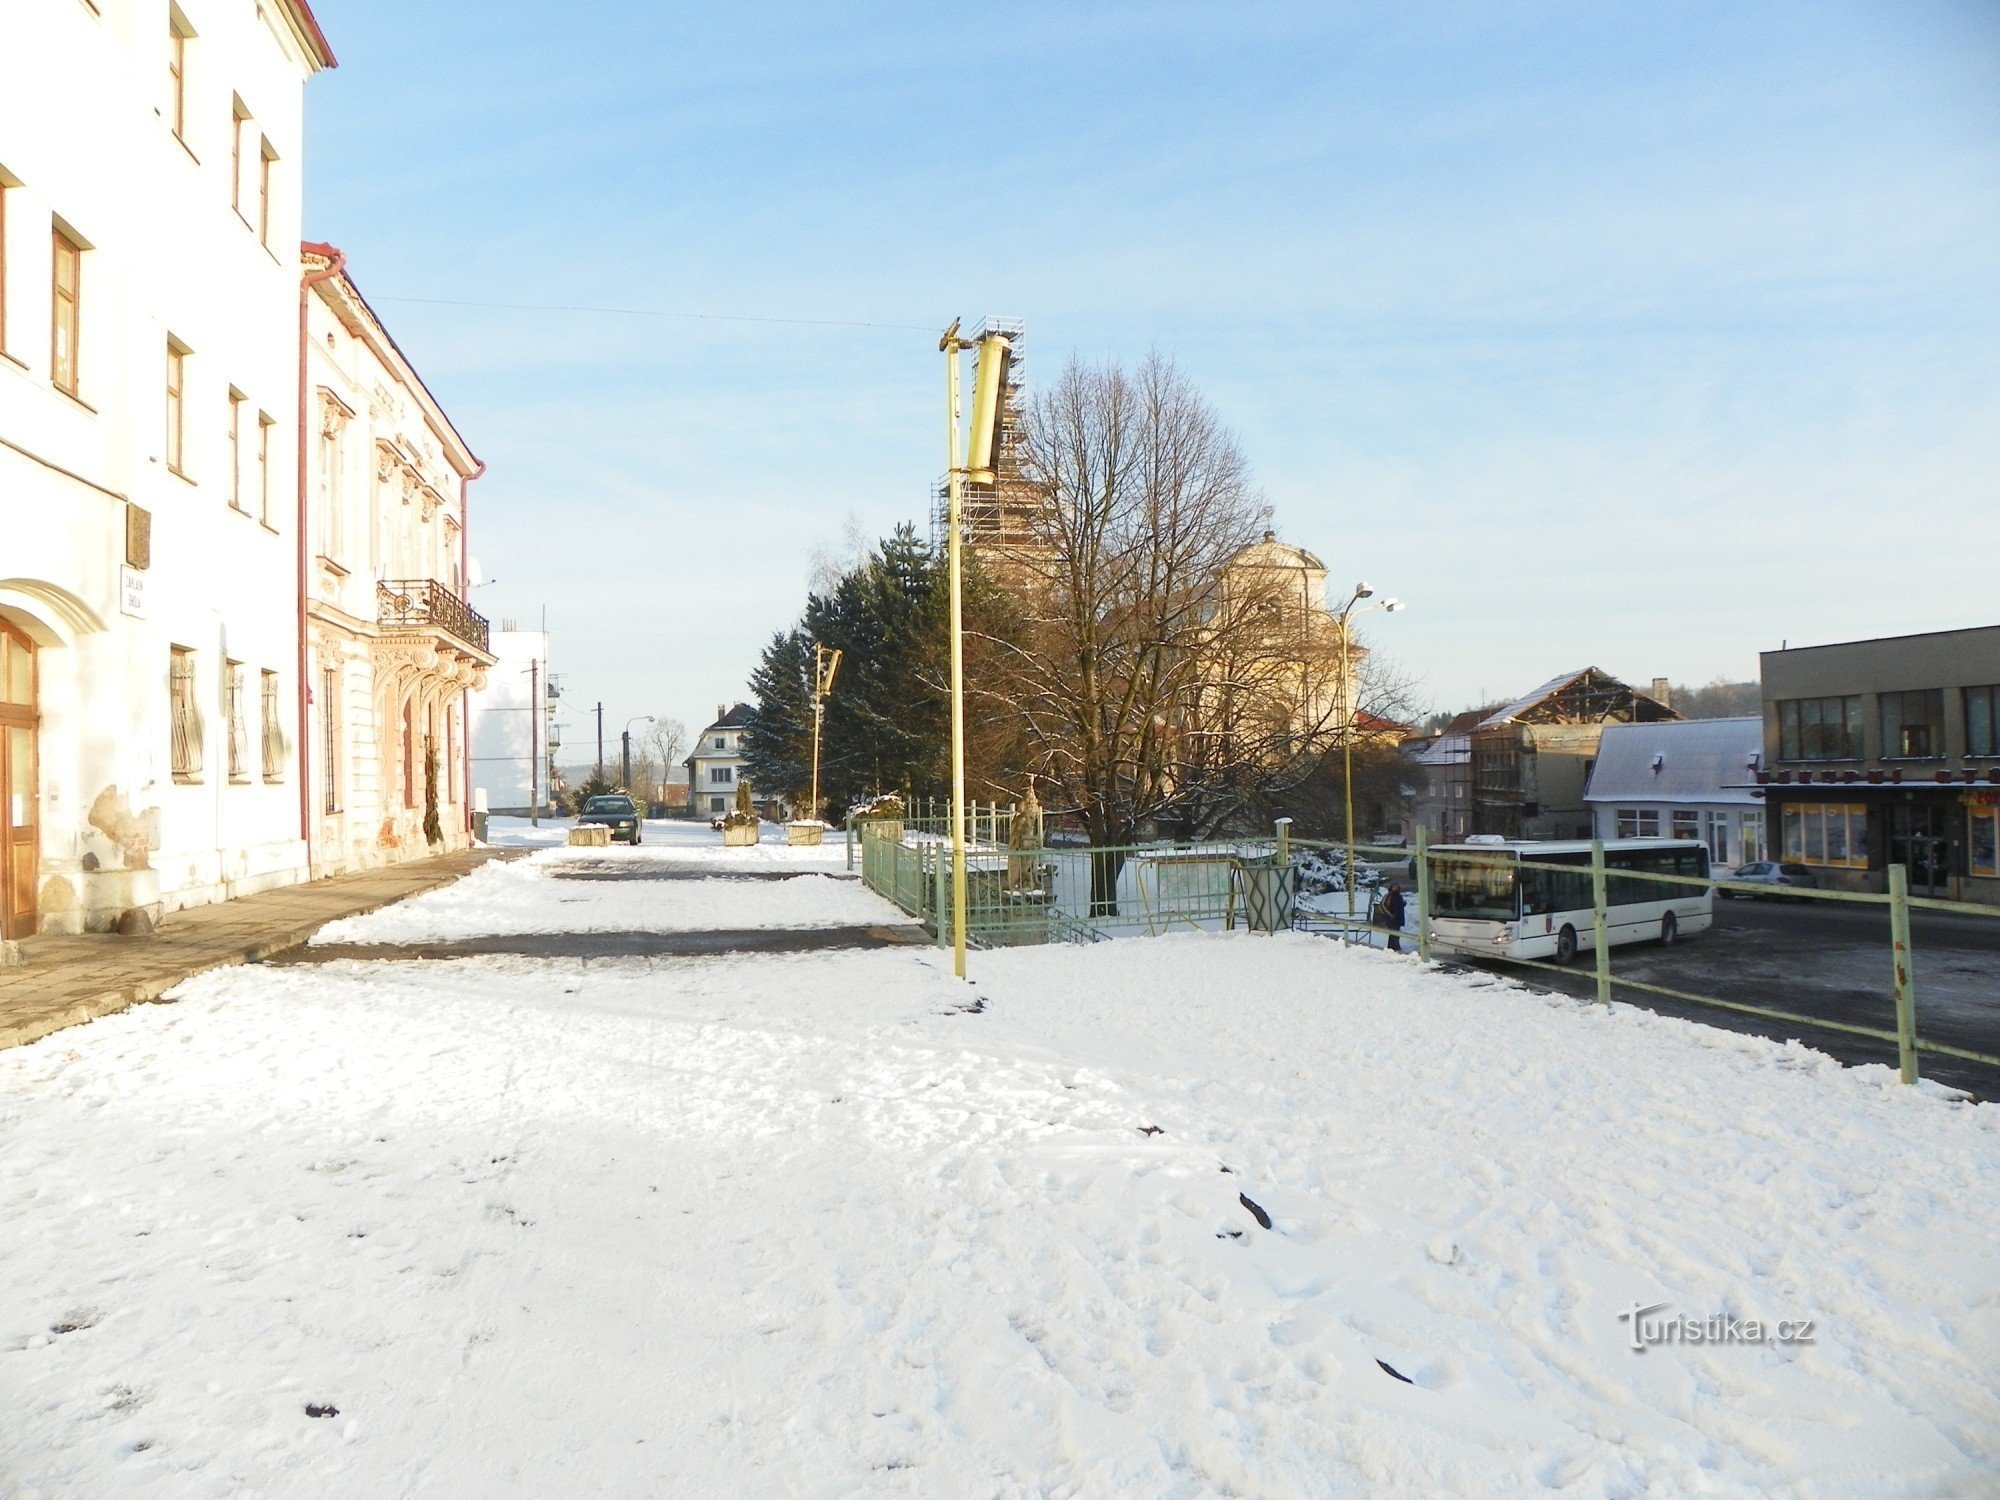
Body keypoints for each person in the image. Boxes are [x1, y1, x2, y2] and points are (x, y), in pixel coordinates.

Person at [1377, 882, 1407, 952]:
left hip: (1399, 918)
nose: (1395, 888)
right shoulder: (1388, 895)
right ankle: (1394, 949)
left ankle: (1393, 948)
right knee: (1393, 934)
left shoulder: (1399, 896)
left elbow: (1401, 904)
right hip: (1391, 918)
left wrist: (1404, 903)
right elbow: (1382, 905)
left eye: (1396, 887)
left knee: (1396, 934)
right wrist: (1389, 914)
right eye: (1394, 887)